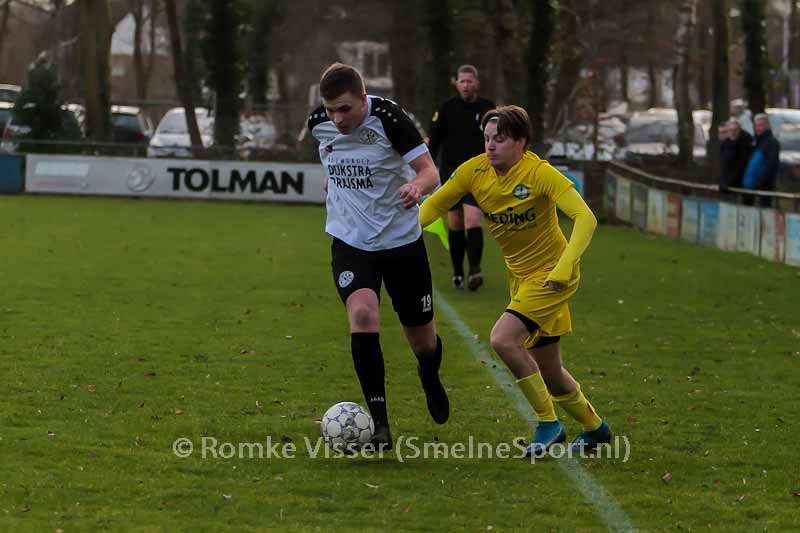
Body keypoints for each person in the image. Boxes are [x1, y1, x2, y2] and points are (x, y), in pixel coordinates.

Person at [419, 105, 611, 456]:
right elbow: (434, 206)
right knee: (550, 371)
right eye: (486, 138)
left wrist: (565, 266)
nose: (490, 146)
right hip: (520, 278)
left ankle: (548, 424)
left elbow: (586, 217)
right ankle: (596, 430)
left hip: (553, 276)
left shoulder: (539, 173)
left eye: (500, 139)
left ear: (521, 142)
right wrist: (398, 236)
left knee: (503, 340)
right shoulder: (473, 171)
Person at [306, 63, 449, 451]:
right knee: (363, 315)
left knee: (423, 341)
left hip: (401, 243)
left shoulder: (390, 119)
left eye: (345, 109)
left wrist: (416, 186)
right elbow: (331, 158)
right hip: (351, 242)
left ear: (363, 98)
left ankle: (429, 373)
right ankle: (380, 424)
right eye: (331, 110)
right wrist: (334, 180)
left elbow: (430, 172)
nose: (337, 119)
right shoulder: (318, 123)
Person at [427, 65, 496, 291]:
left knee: (473, 220)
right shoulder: (447, 108)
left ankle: (475, 270)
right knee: (455, 223)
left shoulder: (488, 108)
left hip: (479, 174)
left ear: (477, 83)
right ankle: (458, 271)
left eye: (470, 81)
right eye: (462, 81)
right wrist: (428, 168)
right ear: (456, 84)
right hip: (451, 174)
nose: (466, 85)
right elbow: (434, 141)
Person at [742, 113, 780, 207]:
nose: (757, 128)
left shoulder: (771, 143)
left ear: (768, 126)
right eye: (756, 125)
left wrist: (760, 181)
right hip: (749, 187)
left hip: (762, 188)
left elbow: (772, 165)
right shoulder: (756, 142)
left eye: (761, 125)